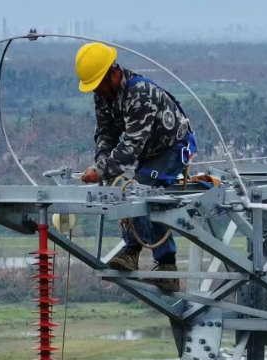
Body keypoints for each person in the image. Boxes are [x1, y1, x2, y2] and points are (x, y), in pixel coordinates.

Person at [75, 42, 196, 292]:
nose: (97, 92)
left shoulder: (139, 94)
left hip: (172, 148)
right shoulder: (104, 95)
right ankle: (136, 252)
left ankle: (162, 265)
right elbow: (105, 133)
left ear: (113, 73)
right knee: (125, 188)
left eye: (99, 85)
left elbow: (130, 147)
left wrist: (99, 172)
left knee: (143, 191)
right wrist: (101, 166)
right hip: (148, 152)